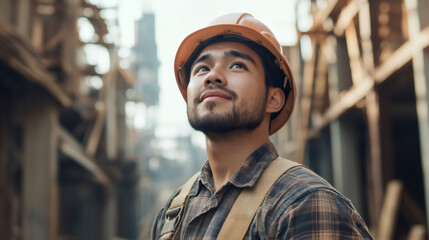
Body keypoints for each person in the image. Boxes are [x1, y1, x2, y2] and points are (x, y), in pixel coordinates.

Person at [152, 13, 373, 240]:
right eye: (201, 69)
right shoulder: (174, 211)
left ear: (273, 99)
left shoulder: (304, 204)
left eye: (237, 65)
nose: (213, 76)